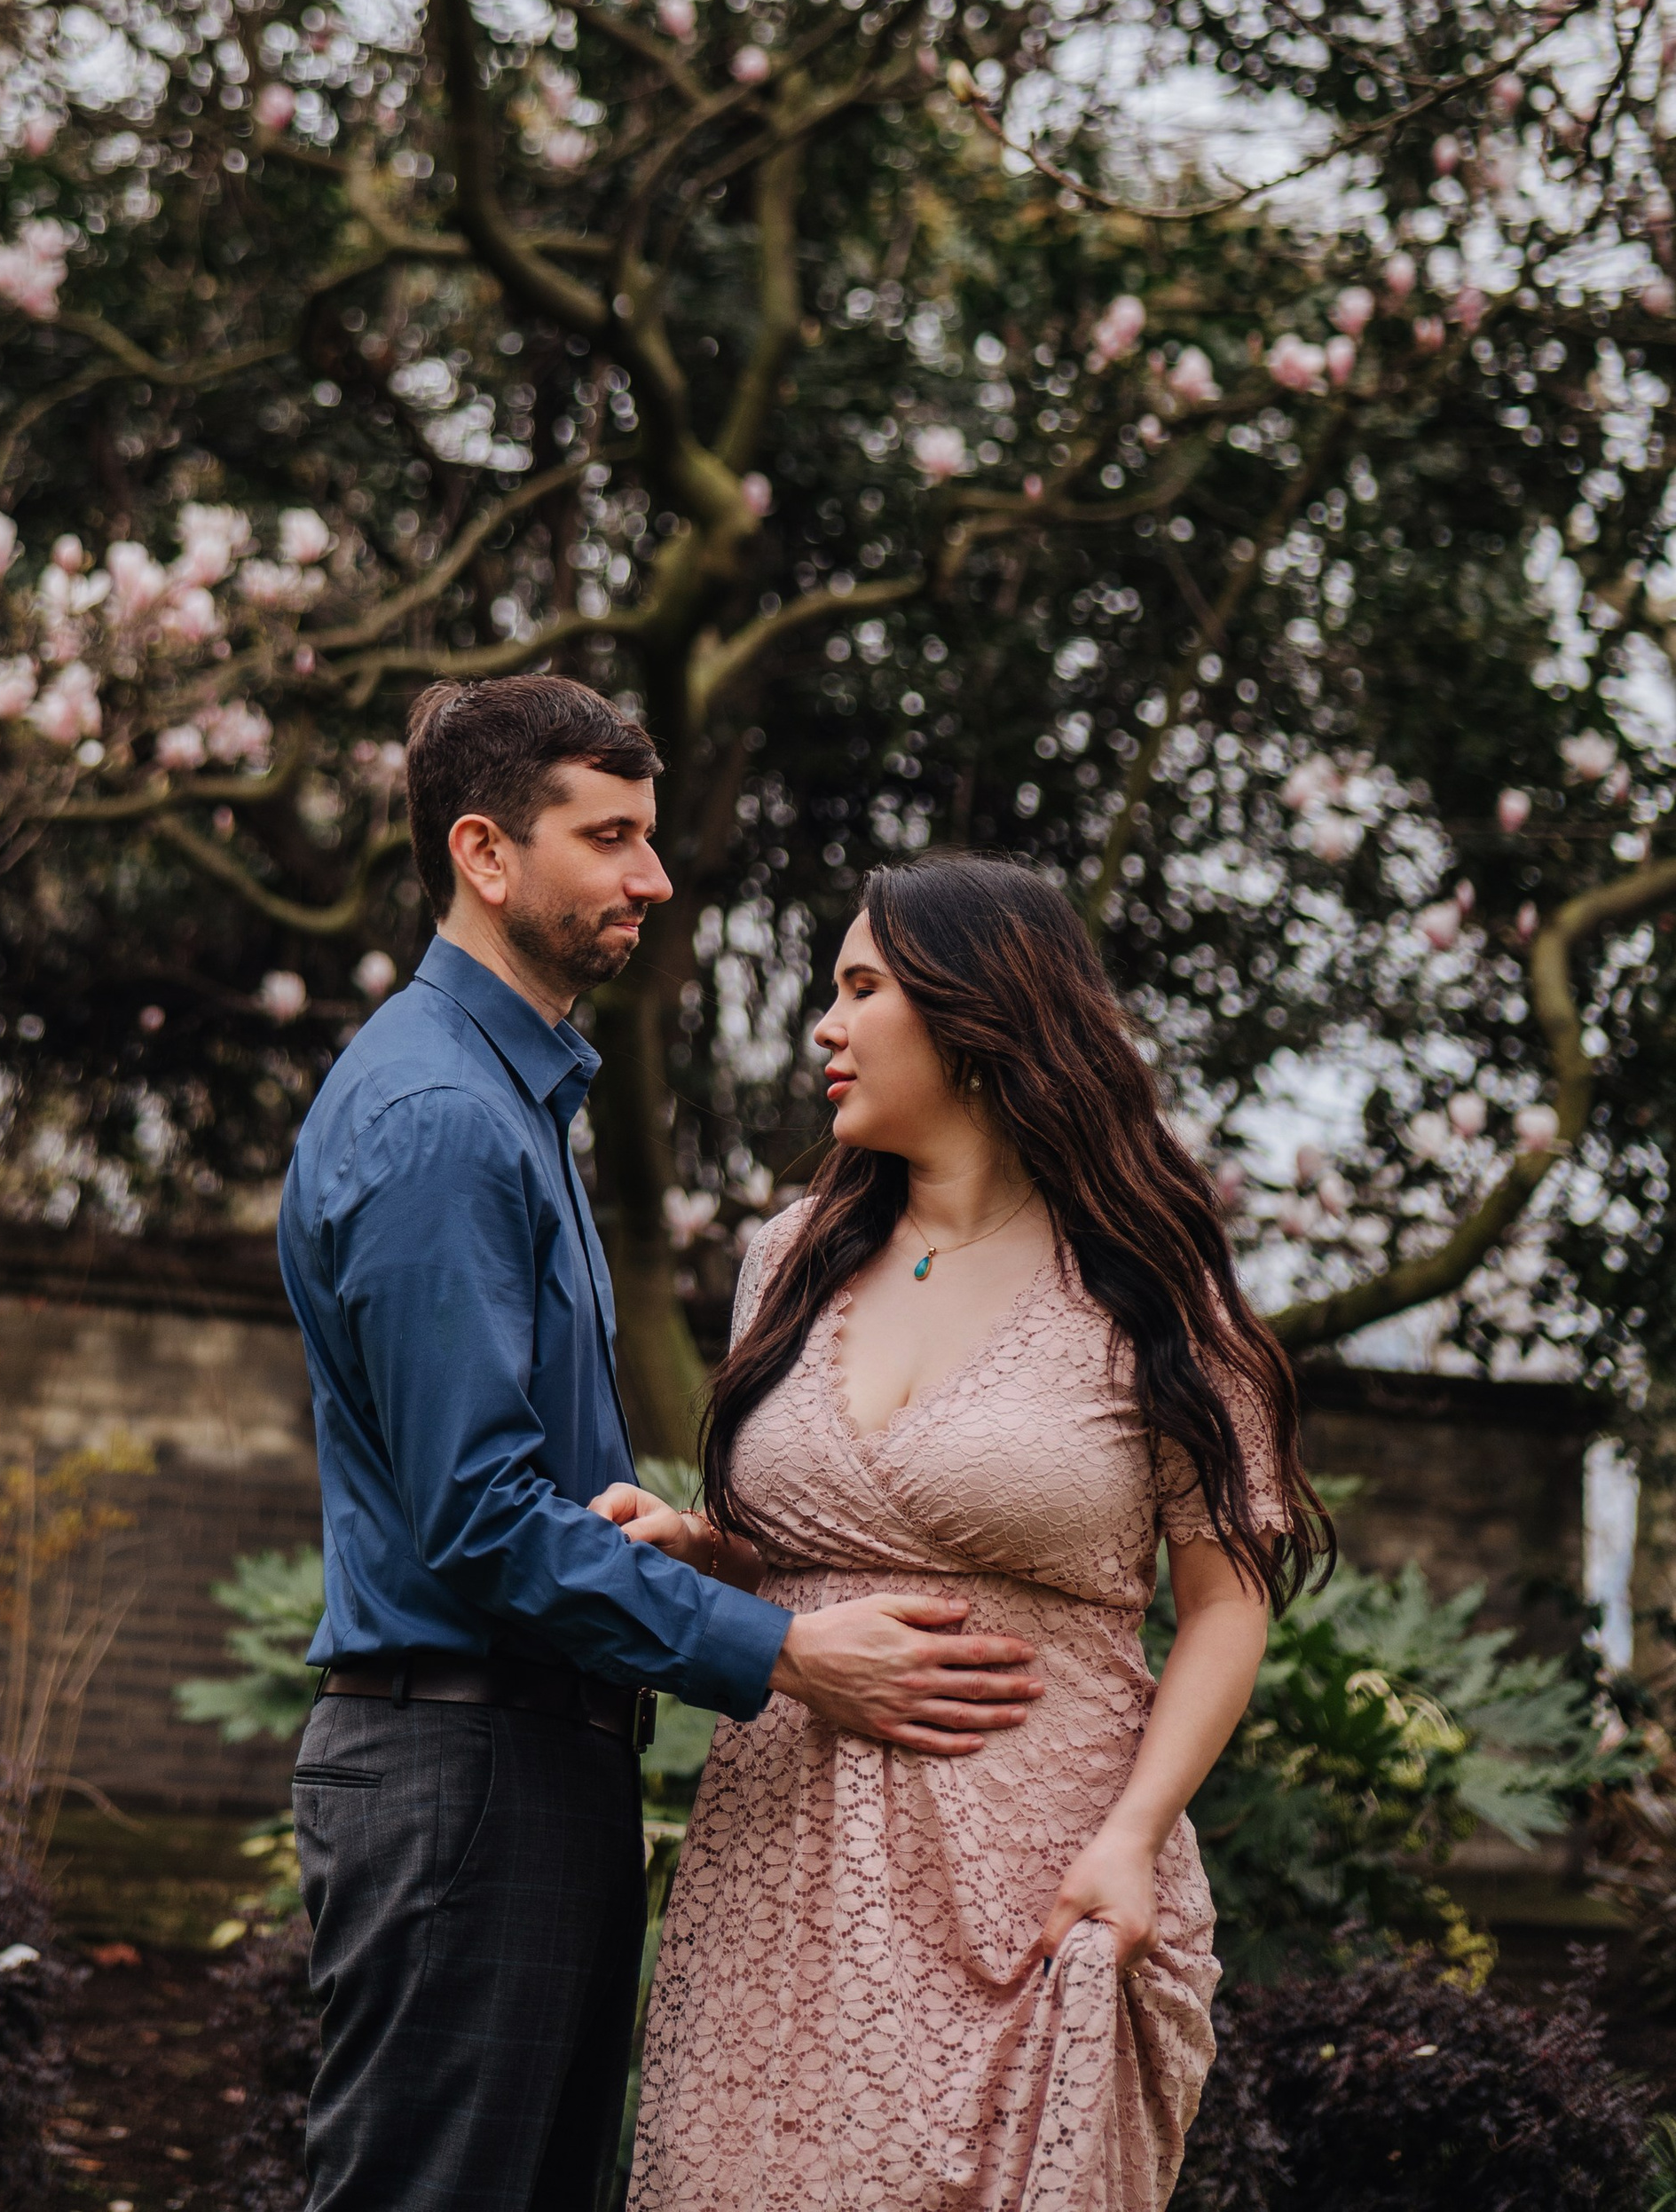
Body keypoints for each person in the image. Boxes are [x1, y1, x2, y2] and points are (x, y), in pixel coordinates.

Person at [276, 682, 1050, 2212]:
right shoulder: (441, 1115)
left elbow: (518, 1498)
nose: (655, 877)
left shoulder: (512, 1099)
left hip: (520, 1760)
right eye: (611, 837)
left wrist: (688, 1547)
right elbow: (480, 1523)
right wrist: (782, 1653)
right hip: (466, 1766)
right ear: (486, 854)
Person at [608, 854, 1330, 2212]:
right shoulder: (788, 1256)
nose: (825, 1025)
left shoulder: (1153, 1286)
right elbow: (811, 1539)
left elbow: (1228, 1603)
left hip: (1036, 1885)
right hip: (782, 1875)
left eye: (862, 987)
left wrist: (1131, 1839)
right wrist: (709, 1547)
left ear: (978, 1012)